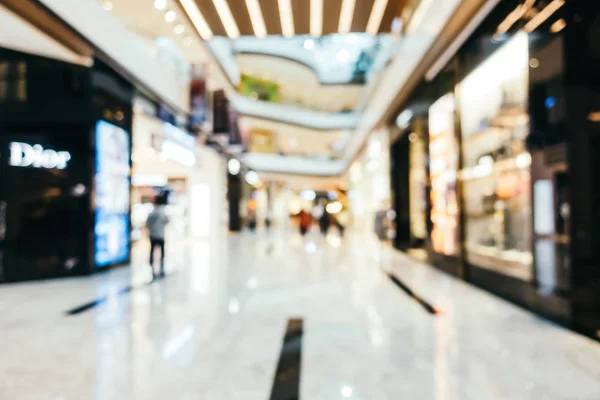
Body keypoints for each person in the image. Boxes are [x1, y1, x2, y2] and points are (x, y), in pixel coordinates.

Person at [146, 198, 169, 277]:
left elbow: (147, 223)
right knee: (161, 251)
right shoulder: (162, 212)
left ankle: (151, 264)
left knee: (152, 250)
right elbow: (167, 221)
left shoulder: (151, 213)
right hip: (160, 235)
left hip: (153, 235)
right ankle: (161, 265)